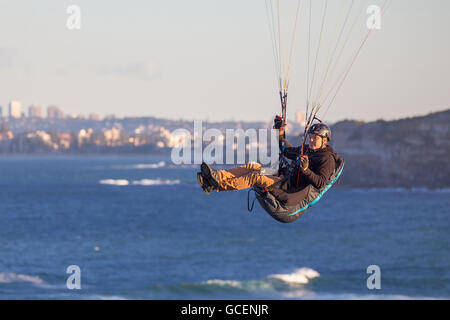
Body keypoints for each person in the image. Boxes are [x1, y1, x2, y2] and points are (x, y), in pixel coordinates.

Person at [197, 119, 338, 206]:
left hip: (286, 188)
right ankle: (218, 177)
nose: (311, 140)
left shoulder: (326, 159)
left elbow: (320, 183)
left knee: (255, 177)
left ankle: (216, 185)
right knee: (253, 166)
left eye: (315, 138)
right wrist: (279, 132)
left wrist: (306, 170)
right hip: (281, 177)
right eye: (311, 137)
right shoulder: (307, 149)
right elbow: (285, 150)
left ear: (324, 140)